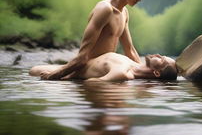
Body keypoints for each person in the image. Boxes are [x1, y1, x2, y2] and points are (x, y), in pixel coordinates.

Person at [40, 0, 153, 80]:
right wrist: (54, 75)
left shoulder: (124, 13)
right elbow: (82, 56)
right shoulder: (105, 9)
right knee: (34, 71)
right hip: (88, 68)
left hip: (102, 68)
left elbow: (130, 51)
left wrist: (146, 74)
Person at [30, 53, 177, 81]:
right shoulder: (133, 63)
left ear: (157, 73)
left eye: (161, 59)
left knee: (34, 71)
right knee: (33, 70)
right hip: (69, 67)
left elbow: (93, 83)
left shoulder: (123, 73)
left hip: (67, 74)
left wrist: (60, 76)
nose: (158, 54)